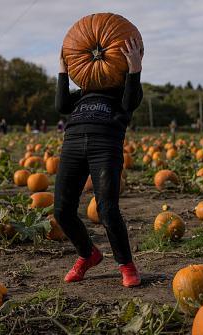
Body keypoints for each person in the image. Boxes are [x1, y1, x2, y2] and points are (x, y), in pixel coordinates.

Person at [54, 38, 144, 287]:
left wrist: (134, 70)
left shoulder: (123, 90)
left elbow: (130, 103)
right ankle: (88, 254)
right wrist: (63, 69)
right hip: (72, 145)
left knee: (107, 209)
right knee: (62, 210)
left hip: (105, 146)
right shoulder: (82, 93)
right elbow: (61, 105)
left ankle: (126, 264)